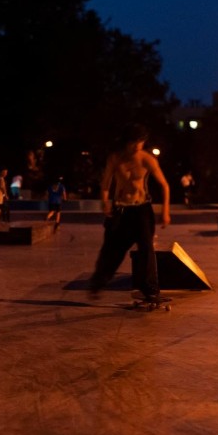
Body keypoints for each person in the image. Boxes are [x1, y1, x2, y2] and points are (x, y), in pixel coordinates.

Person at [88, 125, 171, 302]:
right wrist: (105, 203)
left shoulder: (147, 159)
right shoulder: (115, 159)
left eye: (140, 143)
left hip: (142, 209)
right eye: (134, 143)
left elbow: (165, 185)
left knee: (146, 249)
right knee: (113, 249)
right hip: (121, 209)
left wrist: (165, 211)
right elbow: (105, 185)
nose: (137, 146)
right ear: (127, 142)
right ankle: (98, 282)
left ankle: (150, 291)